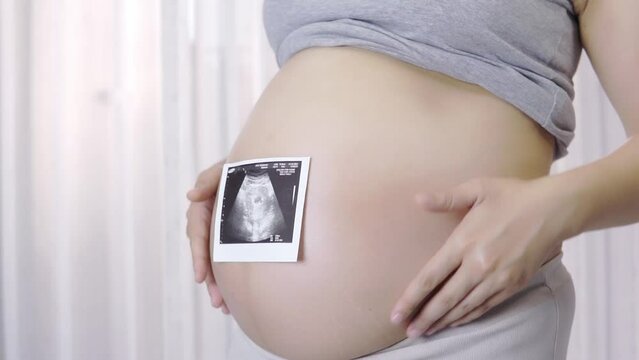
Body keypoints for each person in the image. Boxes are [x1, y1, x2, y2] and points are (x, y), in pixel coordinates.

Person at [186, 0, 639, 359]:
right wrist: (250, 171)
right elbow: (347, 77)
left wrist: (554, 207)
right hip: (254, 339)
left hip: (455, 328)